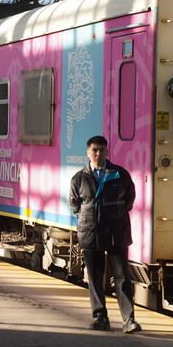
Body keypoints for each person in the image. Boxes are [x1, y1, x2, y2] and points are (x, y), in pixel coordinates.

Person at [68, 135, 141, 334]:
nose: (98, 154)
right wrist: (90, 218)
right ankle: (100, 317)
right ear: (88, 153)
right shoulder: (79, 178)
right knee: (95, 278)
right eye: (94, 150)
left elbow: (129, 199)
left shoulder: (119, 174)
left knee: (122, 277)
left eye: (102, 150)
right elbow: (75, 205)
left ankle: (129, 320)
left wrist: (112, 215)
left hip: (116, 232)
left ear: (108, 152)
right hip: (91, 233)